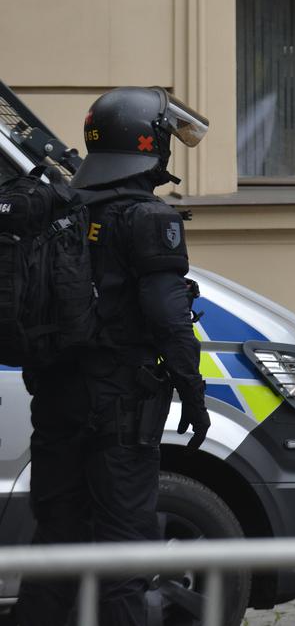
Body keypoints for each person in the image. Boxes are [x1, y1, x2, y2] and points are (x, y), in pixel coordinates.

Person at [16, 87, 211, 626]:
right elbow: (170, 319)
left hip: (55, 396)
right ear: (149, 144)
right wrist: (194, 396)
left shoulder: (59, 206)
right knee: (126, 551)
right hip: (120, 405)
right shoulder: (147, 218)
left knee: (56, 545)